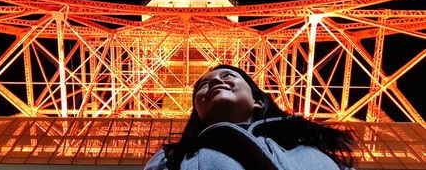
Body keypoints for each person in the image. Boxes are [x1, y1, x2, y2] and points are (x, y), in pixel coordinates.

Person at [143, 64, 356, 170]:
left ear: (258, 101)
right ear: (197, 110)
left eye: (228, 75)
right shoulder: (170, 159)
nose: (216, 81)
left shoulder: (312, 150)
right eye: (204, 85)